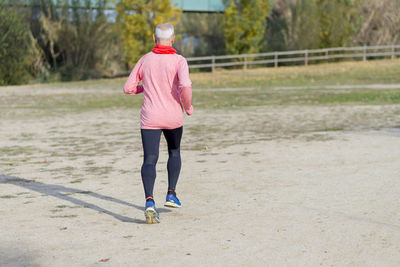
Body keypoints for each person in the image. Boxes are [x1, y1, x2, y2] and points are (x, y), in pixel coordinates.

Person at [123, 23, 193, 224]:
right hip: (173, 117)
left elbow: (128, 88)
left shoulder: (145, 60)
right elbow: (185, 87)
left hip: (150, 117)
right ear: (173, 39)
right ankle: (171, 193)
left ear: (154, 39)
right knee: (174, 152)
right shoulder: (180, 61)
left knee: (149, 159)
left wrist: (144, 89)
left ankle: (149, 202)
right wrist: (187, 107)